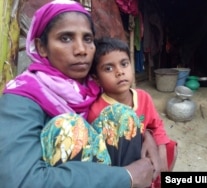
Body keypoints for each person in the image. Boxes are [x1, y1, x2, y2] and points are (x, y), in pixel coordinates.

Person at [0, 1, 159, 187]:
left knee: (122, 115)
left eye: (88, 39)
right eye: (65, 38)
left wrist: (147, 136)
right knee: (68, 127)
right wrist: (126, 177)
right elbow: (19, 181)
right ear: (42, 47)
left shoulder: (94, 87)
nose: (81, 50)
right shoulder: (21, 99)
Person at [88, 37, 178, 187]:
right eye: (108, 68)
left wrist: (161, 148)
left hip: (143, 151)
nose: (119, 72)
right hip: (120, 162)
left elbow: (156, 124)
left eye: (124, 64)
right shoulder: (98, 110)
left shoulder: (143, 97)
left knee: (170, 147)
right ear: (96, 79)